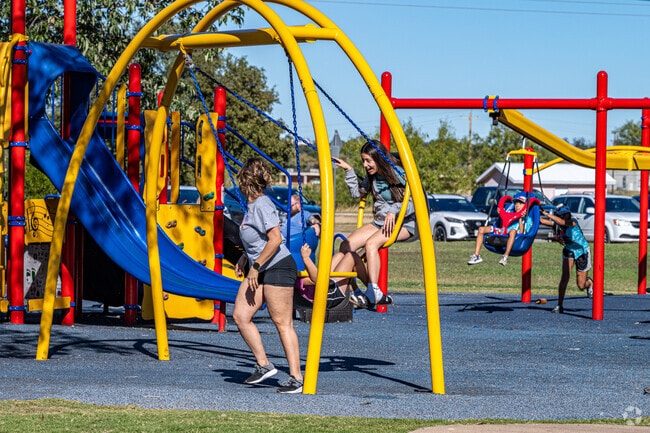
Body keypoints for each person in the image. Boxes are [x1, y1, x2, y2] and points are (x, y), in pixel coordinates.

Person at [232, 157, 303, 394]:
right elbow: (258, 241)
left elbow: (275, 239)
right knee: (241, 315)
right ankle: (264, 365)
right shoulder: (252, 206)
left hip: (278, 266)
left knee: (282, 322)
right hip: (261, 266)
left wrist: (256, 265)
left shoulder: (262, 204)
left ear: (246, 180)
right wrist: (246, 258)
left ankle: (296, 378)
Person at [332, 140, 415, 308]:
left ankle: (374, 289)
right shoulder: (372, 177)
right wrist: (349, 170)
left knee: (371, 244)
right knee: (346, 246)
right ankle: (359, 290)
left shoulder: (399, 173)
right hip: (381, 222)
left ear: (378, 158)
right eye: (363, 161)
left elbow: (414, 202)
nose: (365, 165)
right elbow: (357, 193)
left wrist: (394, 210)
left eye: (368, 161)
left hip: (405, 222)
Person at [540, 205, 593, 314]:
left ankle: (590, 283)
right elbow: (541, 221)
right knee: (565, 278)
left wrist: (547, 214)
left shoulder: (572, 222)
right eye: (563, 215)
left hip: (581, 251)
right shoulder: (557, 224)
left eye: (566, 214)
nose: (565, 216)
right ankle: (560, 305)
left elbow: (563, 223)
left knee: (581, 285)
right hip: (569, 251)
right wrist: (531, 212)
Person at [468, 192, 533, 266]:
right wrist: (501, 213)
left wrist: (520, 218)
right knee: (481, 229)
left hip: (516, 239)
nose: (517, 205)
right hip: (502, 232)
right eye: (516, 203)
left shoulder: (528, 219)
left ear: (525, 206)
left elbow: (522, 233)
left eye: (520, 203)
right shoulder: (509, 212)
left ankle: (505, 257)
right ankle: (476, 256)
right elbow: (501, 224)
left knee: (513, 231)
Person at [298, 243, 369, 308]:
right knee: (352, 256)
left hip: (324, 289)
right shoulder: (291, 278)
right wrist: (306, 258)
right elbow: (317, 280)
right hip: (327, 296)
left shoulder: (290, 272)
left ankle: (357, 291)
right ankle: (371, 291)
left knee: (340, 255)